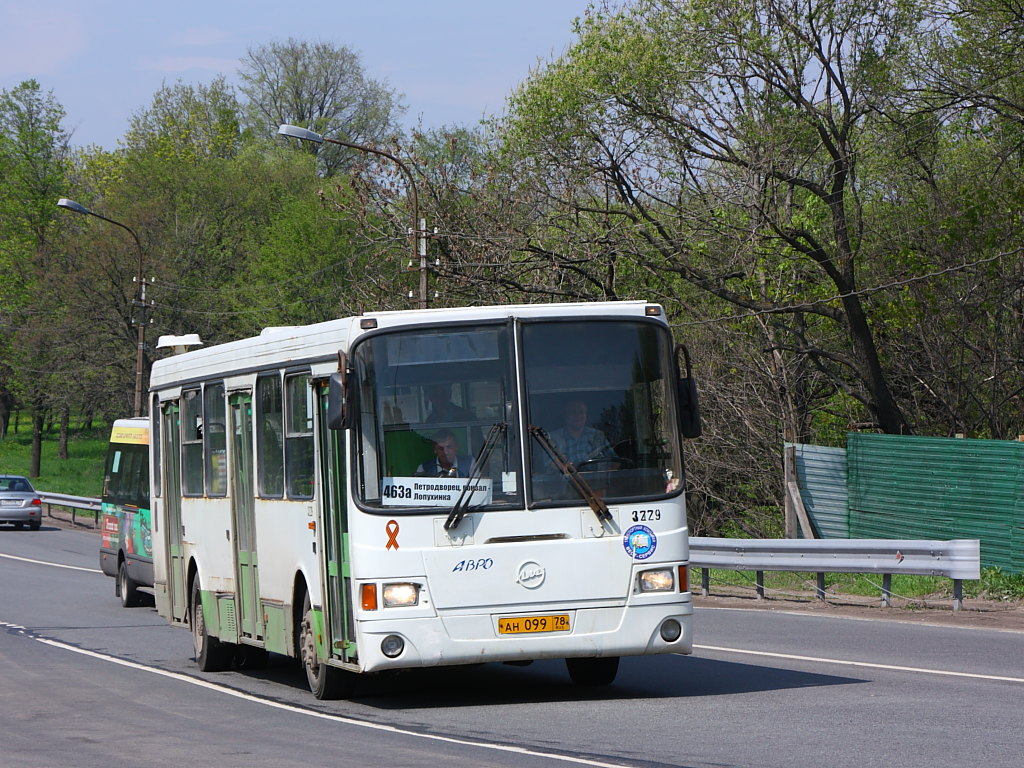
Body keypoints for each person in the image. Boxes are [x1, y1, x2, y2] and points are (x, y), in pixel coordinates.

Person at [548, 399, 614, 467]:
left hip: (597, 477)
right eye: (573, 412)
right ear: (564, 415)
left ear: (586, 415)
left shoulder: (598, 436)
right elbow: (550, 466)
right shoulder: (552, 438)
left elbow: (614, 462)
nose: (578, 416)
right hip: (566, 477)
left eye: (581, 412)